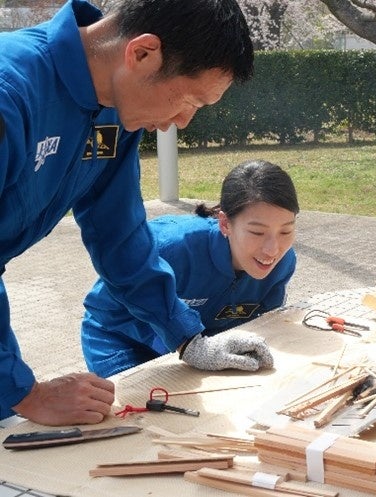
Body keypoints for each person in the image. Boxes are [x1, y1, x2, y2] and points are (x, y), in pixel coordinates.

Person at [0, 0, 258, 426]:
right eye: (189, 100)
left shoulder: (116, 111)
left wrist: (186, 336)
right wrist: (25, 393)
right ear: (142, 53)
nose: (183, 121)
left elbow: (121, 235)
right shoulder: (11, 91)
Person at [81, 160, 298, 378]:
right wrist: (179, 345)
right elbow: (102, 308)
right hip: (121, 340)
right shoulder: (169, 247)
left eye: (286, 232)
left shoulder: (283, 263)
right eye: (257, 233)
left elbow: (263, 325)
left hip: (201, 346)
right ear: (225, 223)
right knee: (143, 409)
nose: (272, 250)